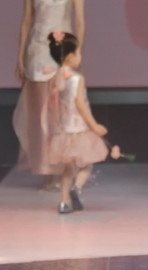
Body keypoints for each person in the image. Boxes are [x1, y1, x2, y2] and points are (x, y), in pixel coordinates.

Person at [14, 0, 84, 180]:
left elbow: (80, 22)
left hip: (61, 54)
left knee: (61, 113)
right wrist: (20, 56)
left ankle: (63, 169)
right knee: (40, 115)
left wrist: (77, 52)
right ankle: (46, 170)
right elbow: (26, 22)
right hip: (36, 53)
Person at [43, 31, 117, 215]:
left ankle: (63, 202)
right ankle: (77, 188)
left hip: (63, 129)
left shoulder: (56, 77)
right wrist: (95, 126)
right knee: (86, 164)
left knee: (68, 168)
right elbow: (80, 105)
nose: (80, 57)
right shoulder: (76, 78)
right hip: (79, 127)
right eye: (78, 53)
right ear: (69, 56)